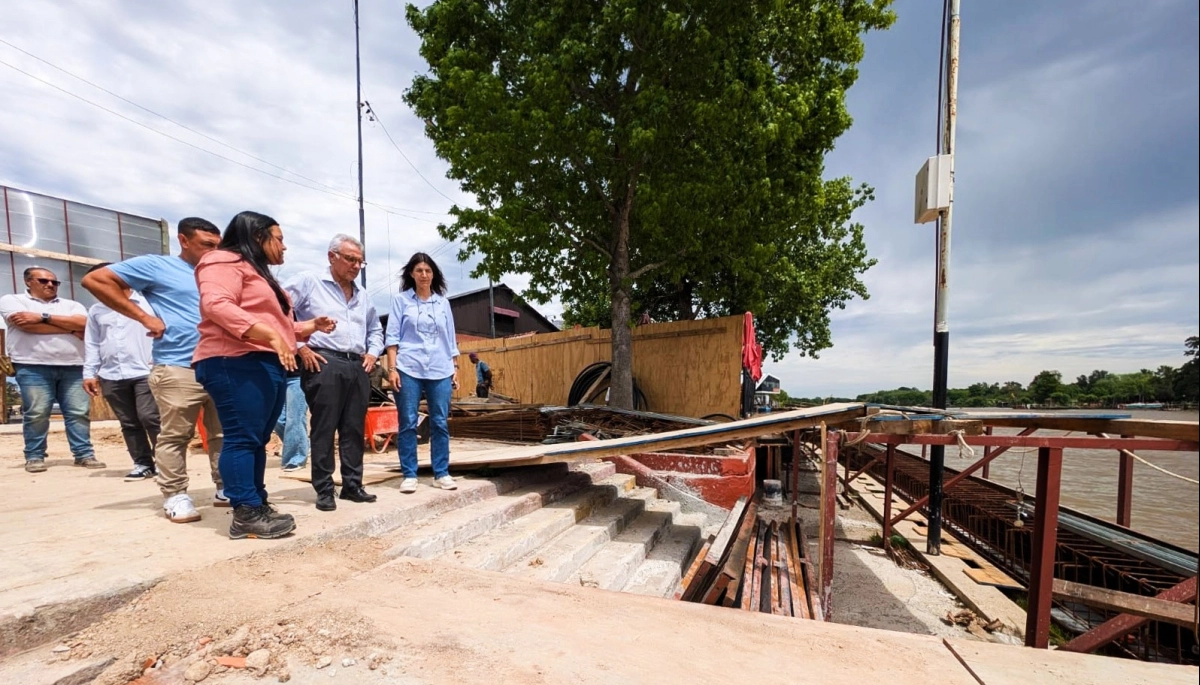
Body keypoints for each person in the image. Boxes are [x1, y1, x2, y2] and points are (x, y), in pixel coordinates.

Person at [192, 211, 334, 539]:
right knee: (242, 437)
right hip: (233, 360)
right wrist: (270, 336)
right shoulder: (221, 261)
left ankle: (256, 503)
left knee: (256, 440)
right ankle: (245, 512)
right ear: (258, 237)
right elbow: (216, 304)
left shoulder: (257, 272)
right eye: (279, 239)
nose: (284, 247)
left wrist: (307, 327)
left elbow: (278, 326)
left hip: (262, 361)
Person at [82, 218, 226, 523]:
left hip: (222, 365)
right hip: (178, 365)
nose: (213, 251)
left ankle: (225, 487)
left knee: (221, 433)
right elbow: (96, 280)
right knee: (175, 433)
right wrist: (145, 318)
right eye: (206, 245)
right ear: (183, 241)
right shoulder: (157, 266)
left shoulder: (217, 274)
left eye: (218, 245)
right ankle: (175, 495)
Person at [285, 234, 384, 511]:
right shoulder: (309, 282)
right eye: (350, 259)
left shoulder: (363, 295)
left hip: (357, 365)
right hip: (324, 363)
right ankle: (325, 489)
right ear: (332, 256)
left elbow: (375, 329)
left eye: (360, 262)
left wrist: (373, 353)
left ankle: (352, 485)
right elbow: (279, 309)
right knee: (324, 428)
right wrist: (299, 346)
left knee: (353, 429)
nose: (355, 266)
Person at [0, 266, 102, 472]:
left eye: (54, 282)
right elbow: (24, 325)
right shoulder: (12, 300)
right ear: (28, 282)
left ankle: (84, 454)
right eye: (43, 281)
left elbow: (83, 324)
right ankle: (35, 456)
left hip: (74, 366)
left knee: (78, 412)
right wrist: (69, 328)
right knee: (37, 412)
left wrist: (42, 317)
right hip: (32, 365)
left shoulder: (72, 304)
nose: (50, 285)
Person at [384, 253, 460, 494]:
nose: (424, 275)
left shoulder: (443, 303)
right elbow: (392, 336)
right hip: (409, 367)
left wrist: (455, 368)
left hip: (440, 368)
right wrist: (392, 368)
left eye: (428, 271)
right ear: (411, 274)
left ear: (433, 274)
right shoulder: (400, 301)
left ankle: (441, 473)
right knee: (407, 422)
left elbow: (450, 337)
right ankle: (409, 474)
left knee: (439, 422)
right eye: (419, 271)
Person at [82, 262, 160, 481]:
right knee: (128, 422)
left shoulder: (147, 302)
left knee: (150, 417)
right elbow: (93, 343)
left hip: (146, 371)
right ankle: (143, 463)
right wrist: (89, 373)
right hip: (111, 374)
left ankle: (165, 464)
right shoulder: (97, 310)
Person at [272, 372, 310, 472]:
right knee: (277, 419)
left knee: (295, 417)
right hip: (278, 375)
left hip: (298, 376)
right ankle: (303, 444)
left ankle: (295, 459)